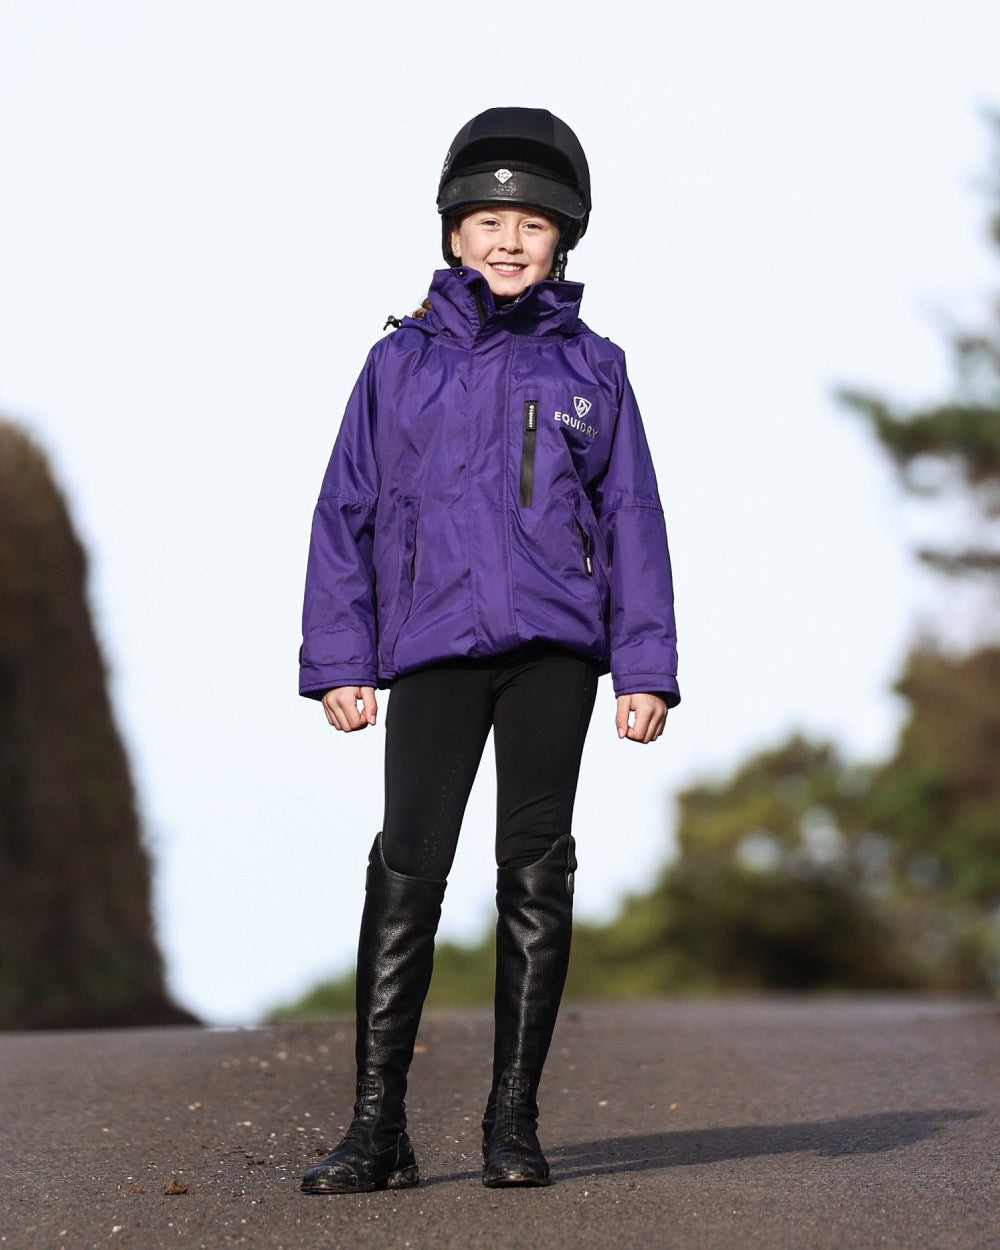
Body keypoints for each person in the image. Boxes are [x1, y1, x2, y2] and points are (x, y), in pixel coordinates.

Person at [297, 107, 680, 1194]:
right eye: (488, 221)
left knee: (534, 868)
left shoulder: (593, 369)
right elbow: (346, 509)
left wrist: (644, 664)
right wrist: (340, 655)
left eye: (532, 223)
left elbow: (633, 516)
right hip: (428, 646)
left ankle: (512, 1120)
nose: (509, 241)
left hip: (553, 651)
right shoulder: (395, 365)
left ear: (564, 238)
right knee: (408, 864)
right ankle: (377, 1128)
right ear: (453, 233)